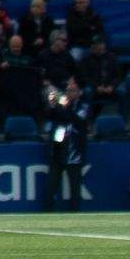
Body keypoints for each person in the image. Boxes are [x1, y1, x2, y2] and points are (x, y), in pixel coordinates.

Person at [44, 78, 90, 211]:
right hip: (58, 150)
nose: (69, 93)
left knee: (74, 186)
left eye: (73, 90)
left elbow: (79, 120)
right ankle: (47, 211)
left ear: (79, 92)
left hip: (74, 151)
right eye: (68, 90)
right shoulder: (60, 105)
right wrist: (52, 104)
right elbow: (50, 116)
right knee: (51, 185)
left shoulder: (83, 106)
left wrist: (67, 107)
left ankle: (74, 212)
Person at [0, 36, 44, 123]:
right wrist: (0, 66)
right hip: (6, 88)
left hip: (25, 89)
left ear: (21, 46)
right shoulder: (1, 56)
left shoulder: (28, 58)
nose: (16, 49)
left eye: (18, 46)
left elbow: (35, 72)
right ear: (9, 46)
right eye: (13, 46)